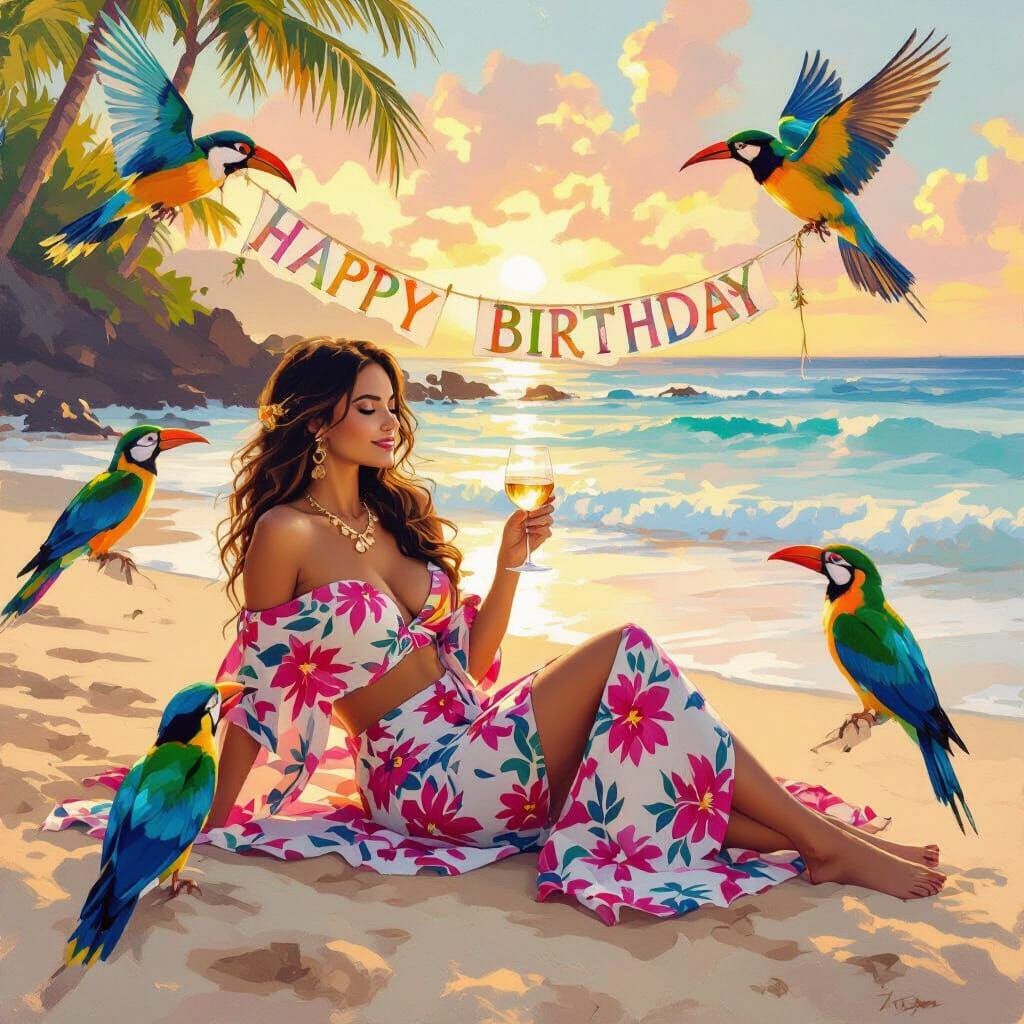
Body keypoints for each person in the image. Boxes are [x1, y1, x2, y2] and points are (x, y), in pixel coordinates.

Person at [201, 338, 944, 925]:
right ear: (316, 420)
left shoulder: (395, 516)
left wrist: (509, 565)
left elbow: (471, 663)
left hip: (475, 735)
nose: (392, 422)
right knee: (626, 651)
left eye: (393, 406)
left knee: (638, 739)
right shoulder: (286, 533)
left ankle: (824, 843)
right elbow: (258, 689)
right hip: (422, 779)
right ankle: (829, 845)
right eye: (369, 408)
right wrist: (211, 823)